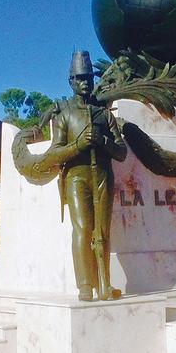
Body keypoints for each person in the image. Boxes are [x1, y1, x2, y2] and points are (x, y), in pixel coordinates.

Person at [45, 51, 127, 301]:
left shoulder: (104, 115)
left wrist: (103, 141)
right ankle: (85, 284)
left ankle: (105, 283)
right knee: (83, 228)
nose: (85, 82)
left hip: (102, 176)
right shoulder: (64, 115)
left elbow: (121, 152)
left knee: (102, 231)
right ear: (70, 82)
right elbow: (55, 153)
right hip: (76, 178)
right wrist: (78, 145)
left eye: (88, 77)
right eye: (79, 78)